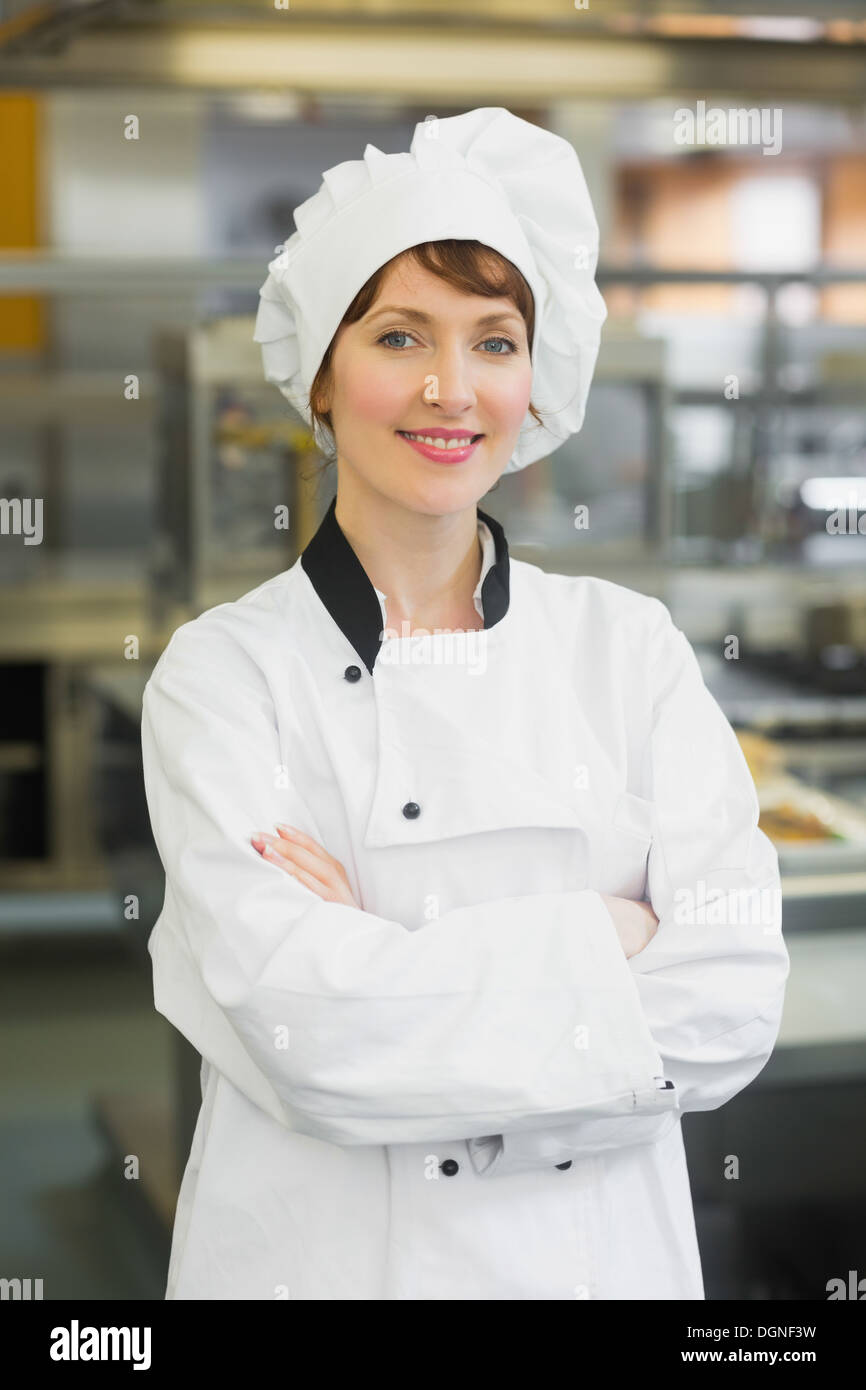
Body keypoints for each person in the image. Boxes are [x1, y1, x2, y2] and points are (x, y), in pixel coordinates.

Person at [140, 107, 789, 1300]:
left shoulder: (626, 649)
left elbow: (730, 1003)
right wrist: (609, 935)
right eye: (399, 335)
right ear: (321, 377)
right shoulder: (221, 675)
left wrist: (391, 956)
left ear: (532, 383)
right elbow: (310, 1041)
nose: (451, 388)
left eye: (494, 343)